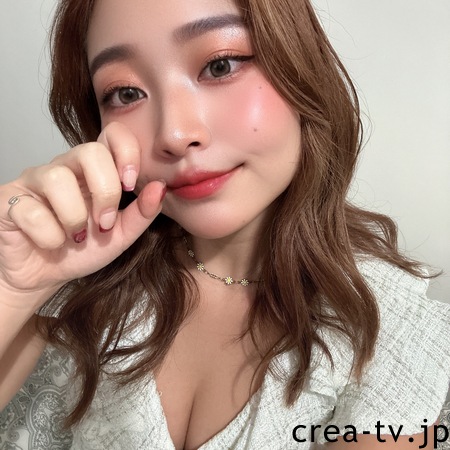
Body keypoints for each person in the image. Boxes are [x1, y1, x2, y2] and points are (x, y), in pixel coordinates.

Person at [0, 0, 449, 449]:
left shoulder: (390, 327)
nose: (174, 135)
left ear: (300, 65)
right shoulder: (83, 272)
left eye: (220, 65)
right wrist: (13, 288)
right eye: (126, 93)